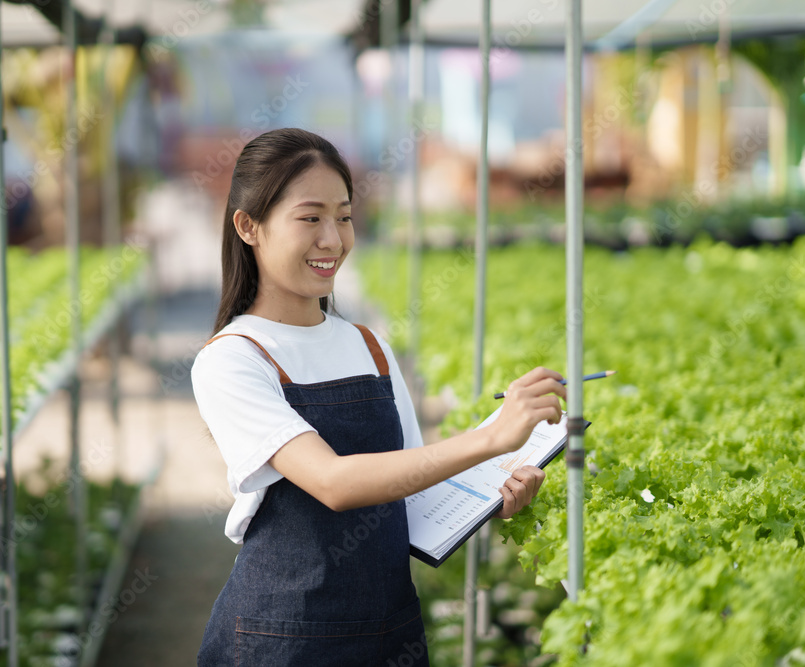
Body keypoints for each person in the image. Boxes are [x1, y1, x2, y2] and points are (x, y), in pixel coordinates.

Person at [191, 128, 566, 666]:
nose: (333, 239)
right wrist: (488, 438)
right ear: (249, 226)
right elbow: (334, 483)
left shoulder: (369, 347)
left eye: (343, 217)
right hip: (282, 640)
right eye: (310, 217)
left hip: (391, 635)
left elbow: (412, 498)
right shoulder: (233, 358)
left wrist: (496, 492)